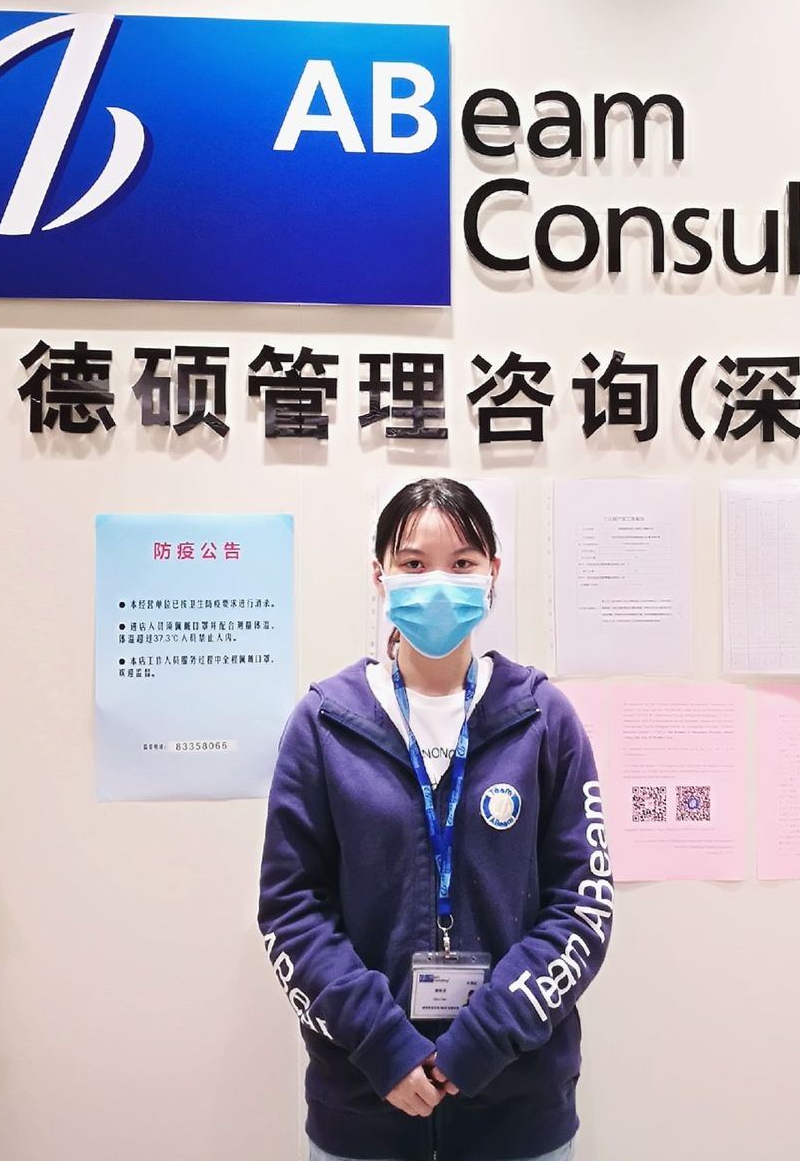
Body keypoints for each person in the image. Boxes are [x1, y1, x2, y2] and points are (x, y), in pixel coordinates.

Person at [258, 477, 613, 1161]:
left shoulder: (543, 719)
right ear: (380, 575)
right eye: (414, 564)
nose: (438, 583)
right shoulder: (324, 722)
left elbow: (582, 906)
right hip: (362, 1108)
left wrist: (482, 1041)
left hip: (518, 1111)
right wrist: (382, 1046)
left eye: (462, 562)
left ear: (492, 573)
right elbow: (291, 909)